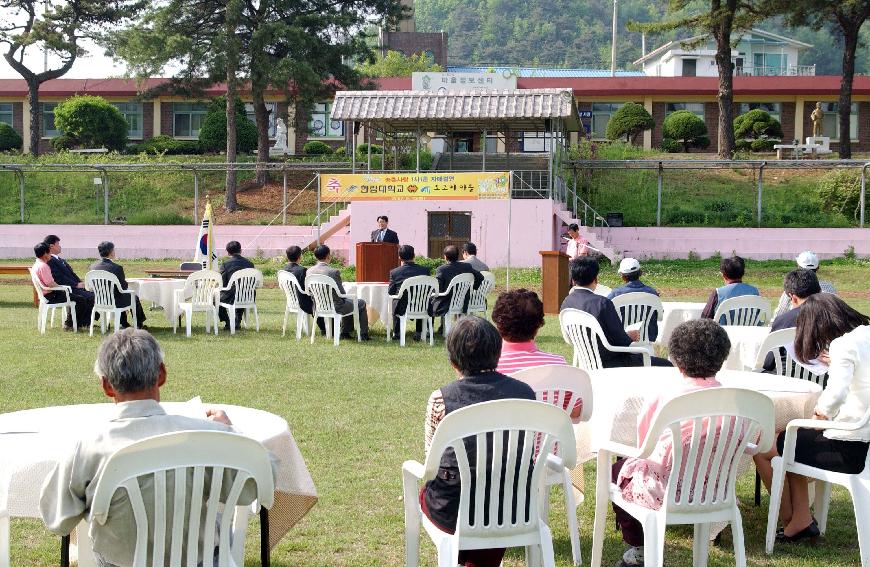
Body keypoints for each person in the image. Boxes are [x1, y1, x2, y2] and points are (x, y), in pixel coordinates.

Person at [39, 329, 271, 567]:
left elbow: (57, 518)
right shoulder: (206, 435)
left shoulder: (87, 446)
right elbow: (263, 478)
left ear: (107, 385)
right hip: (201, 560)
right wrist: (230, 433)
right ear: (161, 374)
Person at [610, 319, 731, 567]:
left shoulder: (665, 396)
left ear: (677, 360)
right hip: (717, 488)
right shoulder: (736, 398)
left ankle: (640, 547)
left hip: (663, 489)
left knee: (616, 471)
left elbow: (643, 443)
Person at [754, 294, 870, 543]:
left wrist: (820, 414)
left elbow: (836, 395)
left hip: (849, 448)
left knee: (768, 445)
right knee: (793, 438)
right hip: (865, 441)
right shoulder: (864, 336)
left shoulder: (843, 345)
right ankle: (802, 518)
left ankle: (792, 521)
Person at [421, 317, 536, 567]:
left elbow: (431, 462)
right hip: (513, 507)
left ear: (453, 361)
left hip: (454, 509)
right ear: (498, 353)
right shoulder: (526, 395)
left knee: (431, 489)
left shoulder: (441, 399)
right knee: (492, 498)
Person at [560, 257, 671, 368]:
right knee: (667, 365)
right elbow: (622, 341)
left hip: (587, 362)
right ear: (596, 279)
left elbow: (568, 338)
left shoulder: (566, 303)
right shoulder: (602, 303)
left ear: (573, 280)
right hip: (613, 362)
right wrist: (629, 336)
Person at [763, 269, 822, 372]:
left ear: (792, 297)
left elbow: (768, 363)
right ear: (820, 291)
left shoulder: (784, 320)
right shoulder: (836, 315)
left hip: (788, 379)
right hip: (827, 378)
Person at [307, 244, 370, 340]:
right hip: (336, 307)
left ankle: (345, 332)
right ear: (328, 256)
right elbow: (342, 293)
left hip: (318, 306)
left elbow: (309, 291)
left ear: (316, 256)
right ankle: (363, 334)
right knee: (360, 303)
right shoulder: (333, 272)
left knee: (347, 301)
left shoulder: (309, 271)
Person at [32, 242, 91, 330]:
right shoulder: (44, 266)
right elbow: (51, 284)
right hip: (52, 295)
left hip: (46, 295)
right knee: (80, 299)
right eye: (49, 253)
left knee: (78, 298)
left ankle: (77, 323)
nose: (50, 256)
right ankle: (70, 324)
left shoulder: (36, 264)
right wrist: (63, 288)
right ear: (45, 254)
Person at [90, 241, 147, 329]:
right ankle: (139, 324)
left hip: (99, 300)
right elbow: (123, 287)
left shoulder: (93, 267)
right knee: (133, 297)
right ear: (111, 252)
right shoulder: (117, 268)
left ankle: (124, 323)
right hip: (115, 301)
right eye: (113, 250)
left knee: (121, 295)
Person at [43, 234, 96, 330]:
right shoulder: (50, 260)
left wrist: (81, 282)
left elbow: (72, 274)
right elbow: (59, 278)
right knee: (91, 297)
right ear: (51, 246)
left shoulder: (59, 259)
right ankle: (76, 323)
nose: (60, 246)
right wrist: (76, 284)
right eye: (58, 244)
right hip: (66, 288)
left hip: (73, 286)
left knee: (95, 294)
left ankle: (85, 321)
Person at [432, 245, 484, 334]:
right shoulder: (467, 267)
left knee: (430, 302)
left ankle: (429, 330)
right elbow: (480, 277)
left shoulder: (441, 269)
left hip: (447, 303)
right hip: (463, 301)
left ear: (445, 256)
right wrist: (473, 287)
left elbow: (437, 288)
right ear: (458, 255)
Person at [772, 250, 837, 321]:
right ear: (818, 267)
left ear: (798, 267)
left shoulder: (792, 287)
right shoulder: (829, 287)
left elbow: (780, 312)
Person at [608, 257, 660, 342]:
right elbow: (659, 315)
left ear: (623, 276)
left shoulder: (615, 294)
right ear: (640, 273)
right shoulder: (652, 292)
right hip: (647, 339)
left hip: (622, 341)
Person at [388, 244, 431, 341]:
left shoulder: (395, 272)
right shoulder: (425, 270)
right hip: (421, 305)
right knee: (421, 299)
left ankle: (397, 332)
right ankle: (419, 332)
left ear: (399, 257)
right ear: (414, 255)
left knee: (396, 300)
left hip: (402, 307)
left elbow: (391, 292)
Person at [281, 245, 325, 335]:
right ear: (300, 257)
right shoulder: (302, 270)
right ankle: (325, 329)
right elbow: (309, 288)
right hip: (303, 302)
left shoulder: (283, 270)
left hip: (291, 301)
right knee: (321, 302)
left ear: (287, 257)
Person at [700, 255, 760, 321]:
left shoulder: (718, 293)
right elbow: (758, 313)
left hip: (723, 330)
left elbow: (705, 318)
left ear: (724, 275)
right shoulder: (754, 291)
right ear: (743, 273)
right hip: (750, 330)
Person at [218, 240, 255, 330]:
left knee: (215, 298)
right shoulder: (250, 264)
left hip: (231, 296)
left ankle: (228, 321)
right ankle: (237, 320)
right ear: (240, 250)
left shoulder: (225, 265)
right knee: (241, 291)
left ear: (228, 252)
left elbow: (222, 283)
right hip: (248, 296)